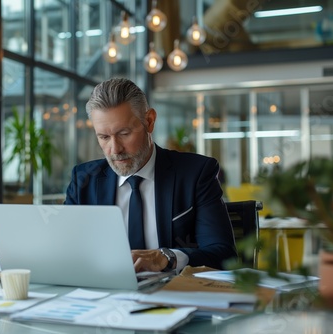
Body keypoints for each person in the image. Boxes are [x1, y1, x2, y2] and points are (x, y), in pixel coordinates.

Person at [64, 78, 237, 273]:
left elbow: (223, 255)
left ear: (149, 121)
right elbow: (63, 251)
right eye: (104, 137)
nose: (115, 149)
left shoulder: (195, 173)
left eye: (124, 133)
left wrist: (167, 258)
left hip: (173, 295)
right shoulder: (83, 179)